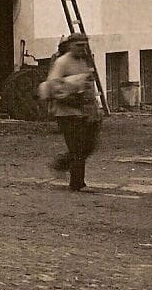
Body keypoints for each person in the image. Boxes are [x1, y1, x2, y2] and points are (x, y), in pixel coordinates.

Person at [38, 33, 103, 191]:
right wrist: (71, 95)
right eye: (78, 45)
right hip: (66, 112)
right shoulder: (62, 62)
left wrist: (94, 107)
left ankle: (61, 164)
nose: (82, 48)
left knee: (89, 145)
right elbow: (52, 86)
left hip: (84, 111)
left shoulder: (85, 60)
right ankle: (77, 183)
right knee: (77, 147)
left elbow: (88, 84)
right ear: (70, 45)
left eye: (84, 45)